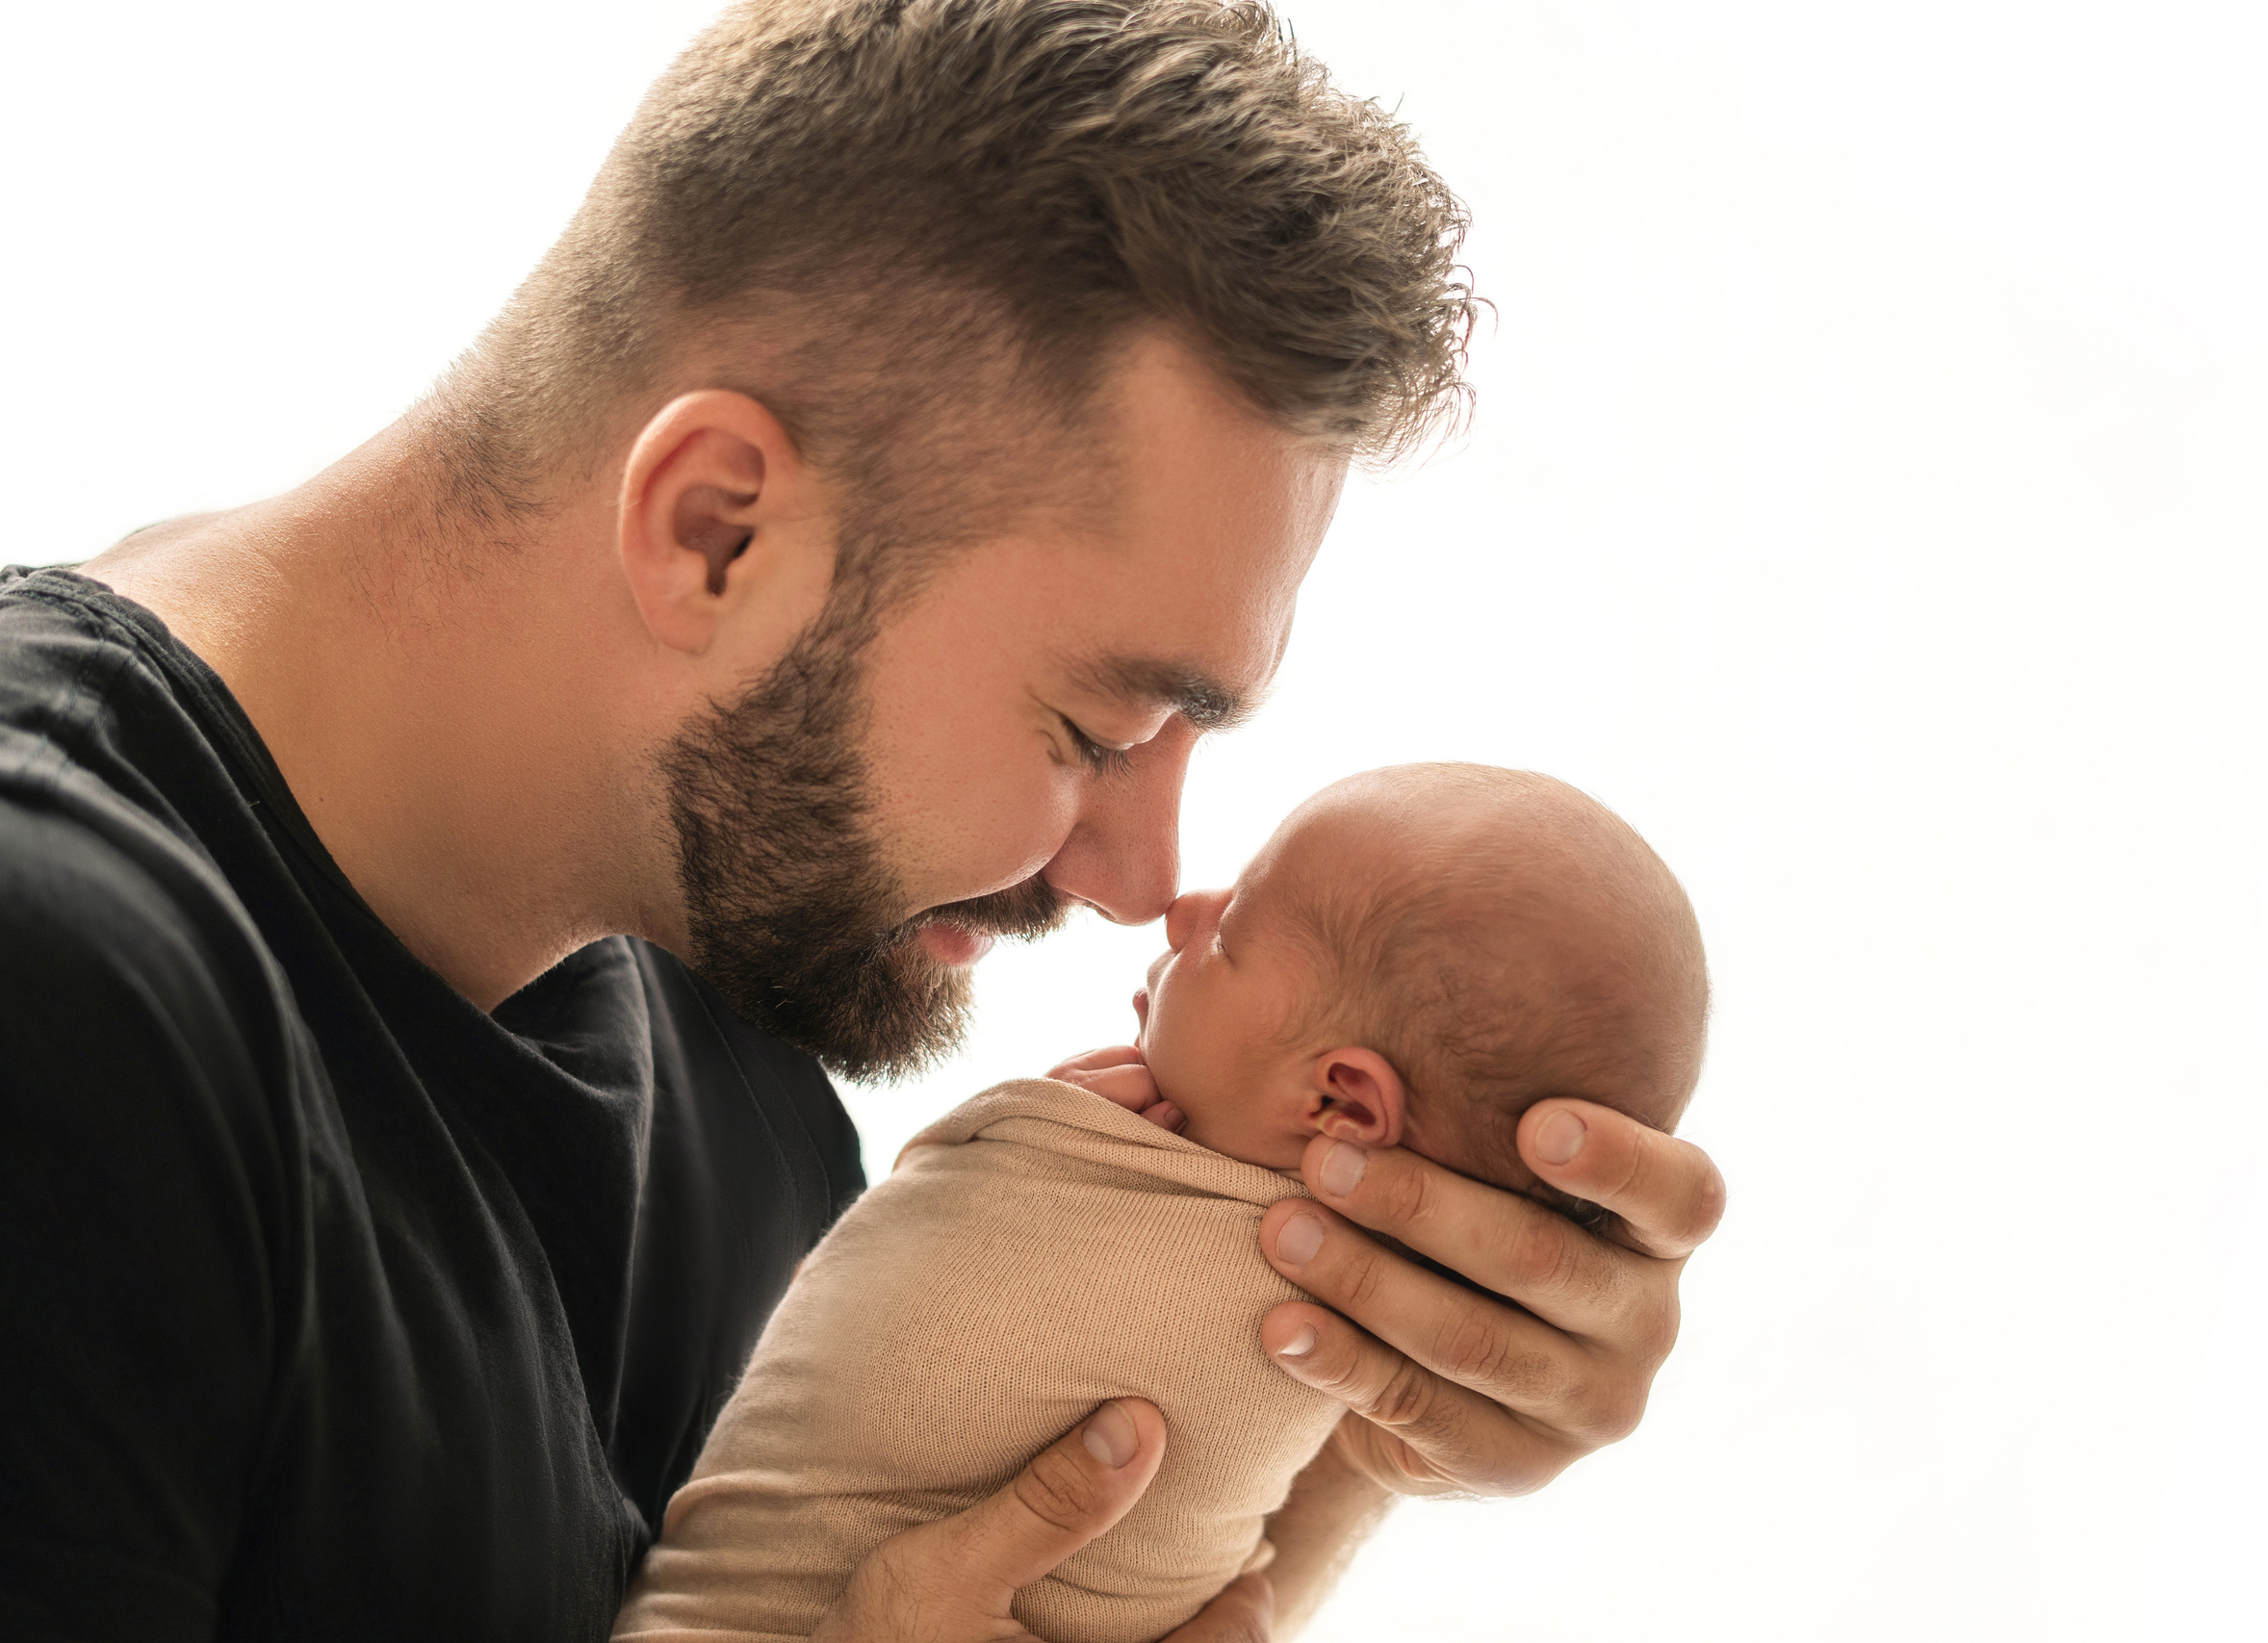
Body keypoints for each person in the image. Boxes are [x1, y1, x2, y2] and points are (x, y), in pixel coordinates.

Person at [0, 3, 1725, 1640]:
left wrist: (1377, 1403)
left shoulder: (735, 1044)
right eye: (1089, 728)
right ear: (717, 531)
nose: (1137, 885)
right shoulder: (58, 1003)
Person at [612, 764, 1709, 1643]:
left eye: (1230, 937)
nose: (1170, 898)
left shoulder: (757, 1105)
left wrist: (1390, 1430)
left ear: (1339, 1101)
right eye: (1087, 724)